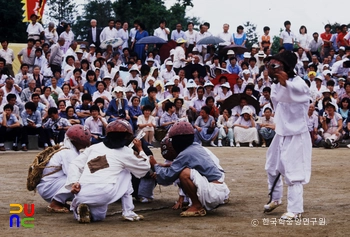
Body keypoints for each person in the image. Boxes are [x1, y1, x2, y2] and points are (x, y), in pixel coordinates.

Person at [66, 120, 151, 223]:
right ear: (126, 137)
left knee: (99, 216)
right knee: (126, 171)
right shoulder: (126, 152)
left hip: (82, 192)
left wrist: (74, 182)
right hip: (105, 192)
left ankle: (83, 209)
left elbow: (74, 164)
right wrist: (140, 149)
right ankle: (128, 212)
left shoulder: (93, 148)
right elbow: (145, 166)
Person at [264, 50, 311, 220]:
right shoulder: (276, 85)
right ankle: (275, 199)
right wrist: (282, 84)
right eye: (269, 65)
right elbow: (280, 100)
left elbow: (298, 95)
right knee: (272, 166)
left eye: (274, 65)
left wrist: (286, 85)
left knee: (294, 171)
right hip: (281, 132)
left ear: (286, 68)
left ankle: (295, 209)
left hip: (297, 134)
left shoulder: (300, 84)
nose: (270, 67)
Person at [150, 121, 230, 217]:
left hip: (213, 194)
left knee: (184, 173)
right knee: (184, 170)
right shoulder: (195, 146)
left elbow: (167, 177)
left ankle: (197, 206)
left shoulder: (186, 154)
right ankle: (195, 203)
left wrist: (154, 164)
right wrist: (164, 165)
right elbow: (180, 164)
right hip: (218, 190)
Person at [36, 125, 91, 213]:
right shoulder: (68, 152)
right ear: (74, 141)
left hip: (52, 184)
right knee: (77, 181)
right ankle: (56, 203)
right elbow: (72, 174)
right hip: (49, 187)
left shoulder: (70, 150)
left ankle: (61, 201)